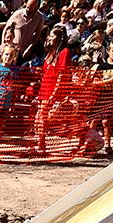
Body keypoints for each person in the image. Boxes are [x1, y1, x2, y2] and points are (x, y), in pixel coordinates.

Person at [34, 25, 70, 154]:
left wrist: (54, 94)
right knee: (40, 117)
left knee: (43, 118)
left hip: (52, 89)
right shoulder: (50, 52)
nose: (49, 38)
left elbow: (61, 75)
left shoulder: (64, 52)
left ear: (59, 38)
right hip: (44, 88)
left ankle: (41, 144)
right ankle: (40, 142)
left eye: (53, 36)